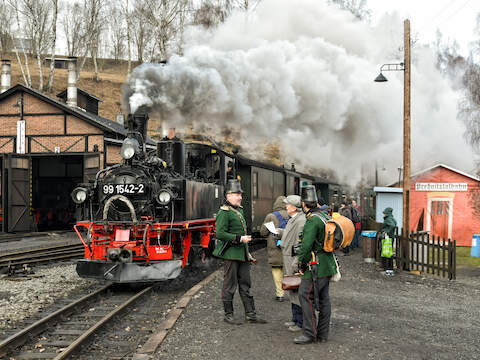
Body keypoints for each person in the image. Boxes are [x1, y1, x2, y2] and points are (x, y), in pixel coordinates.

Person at [213, 179, 267, 325]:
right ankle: (228, 315)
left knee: (246, 284)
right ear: (229, 195)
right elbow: (219, 233)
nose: (240, 197)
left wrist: (247, 250)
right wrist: (239, 238)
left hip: (242, 254)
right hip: (231, 254)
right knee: (229, 285)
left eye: (240, 194)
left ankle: (251, 314)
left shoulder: (239, 210)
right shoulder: (224, 212)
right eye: (237, 194)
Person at [294, 185, 337, 344]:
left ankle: (309, 333)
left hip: (315, 266)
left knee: (305, 296)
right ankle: (323, 334)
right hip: (327, 264)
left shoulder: (312, 221)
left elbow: (305, 248)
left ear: (304, 205)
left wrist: (300, 264)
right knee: (324, 299)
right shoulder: (325, 216)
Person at [278, 195, 306, 333]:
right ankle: (295, 319)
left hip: (292, 259)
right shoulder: (294, 219)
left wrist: (296, 263)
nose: (286, 206)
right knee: (291, 288)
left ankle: (300, 322)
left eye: (288, 205)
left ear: (294, 207)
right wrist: (279, 232)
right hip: (288, 257)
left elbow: (300, 244)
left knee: (296, 289)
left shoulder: (300, 221)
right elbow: (289, 235)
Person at [260, 196, 289, 302]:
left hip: (275, 248)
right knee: (289, 270)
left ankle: (280, 294)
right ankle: (293, 291)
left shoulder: (271, 216)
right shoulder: (292, 215)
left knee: (277, 270)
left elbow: (263, 232)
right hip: (288, 248)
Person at [380, 207, 397, 276]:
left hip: (388, 238)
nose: (383, 214)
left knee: (386, 253)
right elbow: (394, 224)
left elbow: (392, 225)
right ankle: (390, 269)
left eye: (384, 213)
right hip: (390, 238)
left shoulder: (388, 219)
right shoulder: (392, 218)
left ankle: (388, 269)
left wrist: (386, 231)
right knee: (389, 253)